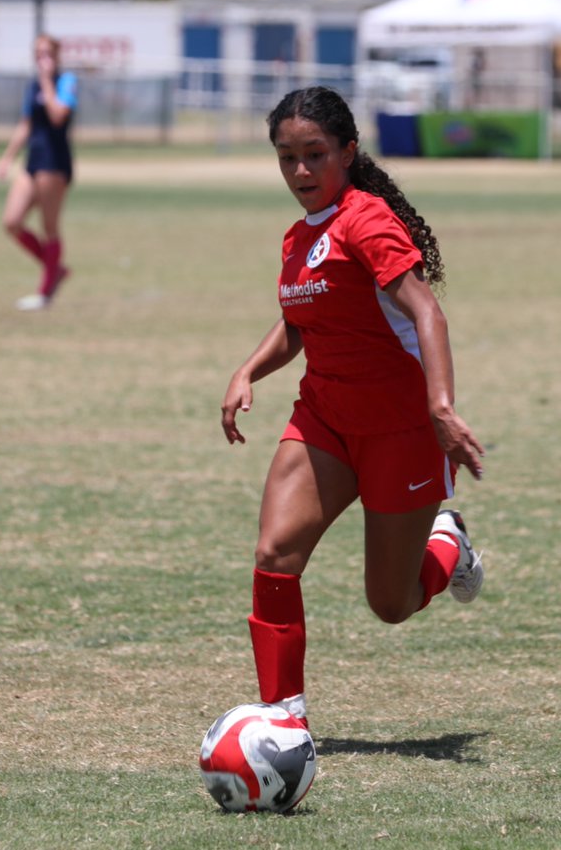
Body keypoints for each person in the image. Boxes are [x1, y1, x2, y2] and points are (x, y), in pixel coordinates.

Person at [220, 86, 486, 729]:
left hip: (401, 428)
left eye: (315, 154)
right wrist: (248, 370)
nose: (301, 171)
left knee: (391, 604)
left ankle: (446, 543)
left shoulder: (365, 219)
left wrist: (441, 407)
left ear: (348, 152)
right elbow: (300, 321)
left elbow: (426, 310)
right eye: (287, 158)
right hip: (325, 417)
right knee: (275, 556)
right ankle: (283, 720)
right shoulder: (297, 237)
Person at [0, 33, 77, 312]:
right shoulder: (33, 85)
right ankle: (55, 269)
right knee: (12, 222)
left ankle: (44, 294)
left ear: (56, 56)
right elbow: (26, 124)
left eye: (47, 54)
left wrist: (46, 82)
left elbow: (58, 115)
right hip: (33, 161)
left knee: (49, 228)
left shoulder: (66, 81)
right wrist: (8, 157)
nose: (42, 59)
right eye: (38, 54)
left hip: (54, 163)